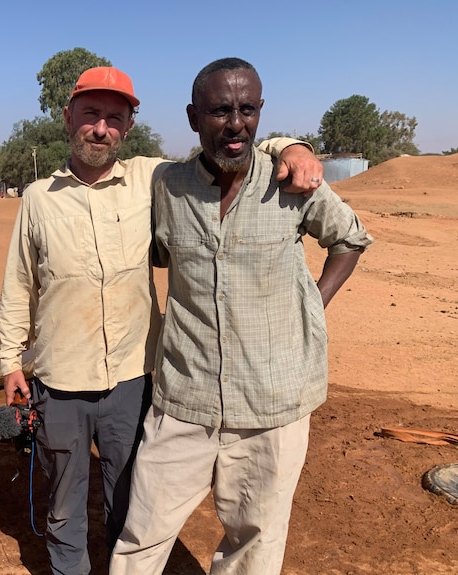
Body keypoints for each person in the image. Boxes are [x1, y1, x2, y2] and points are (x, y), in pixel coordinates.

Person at [0, 66, 324, 575]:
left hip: (131, 378)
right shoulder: (37, 199)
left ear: (126, 128)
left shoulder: (154, 179)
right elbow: (18, 286)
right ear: (68, 118)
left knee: (132, 505)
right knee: (63, 505)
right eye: (91, 115)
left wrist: (288, 145)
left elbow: (227, 145)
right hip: (59, 379)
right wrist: (11, 361)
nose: (101, 129)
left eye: (114, 119)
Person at [110, 58, 373, 575]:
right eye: (220, 111)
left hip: (272, 403)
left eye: (247, 110)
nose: (235, 124)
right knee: (140, 536)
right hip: (185, 399)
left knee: (253, 548)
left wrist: (312, 308)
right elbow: (155, 255)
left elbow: (350, 238)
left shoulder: (290, 182)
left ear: (260, 113)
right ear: (193, 117)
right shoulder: (167, 187)